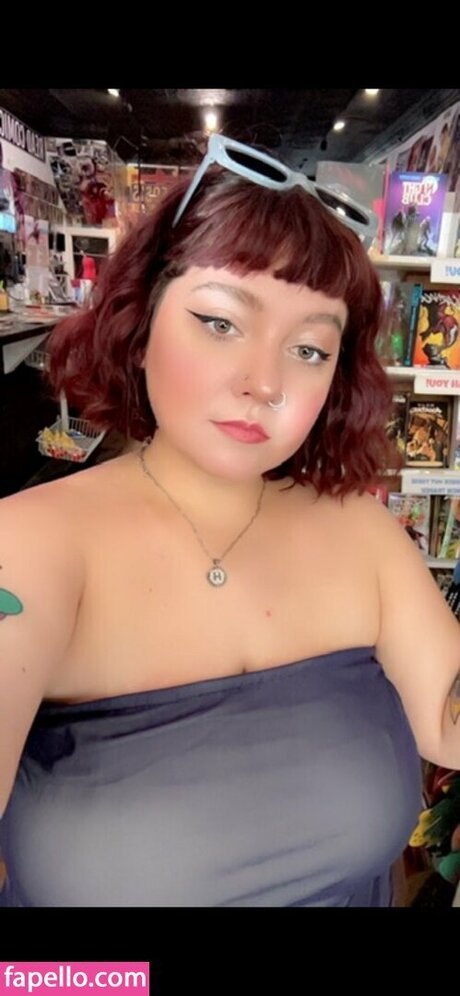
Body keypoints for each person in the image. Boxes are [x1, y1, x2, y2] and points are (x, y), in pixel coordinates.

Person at [0, 133, 459, 908]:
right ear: (140, 320)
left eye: (309, 350)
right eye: (220, 322)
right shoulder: (29, 549)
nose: (263, 382)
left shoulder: (363, 535)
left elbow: (448, 719)